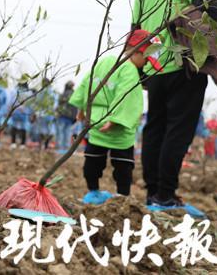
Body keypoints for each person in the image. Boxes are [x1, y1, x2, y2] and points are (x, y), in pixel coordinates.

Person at [133, 0, 213, 208]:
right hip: (184, 66)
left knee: (155, 128)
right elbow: (204, 1)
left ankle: (153, 194)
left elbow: (135, 30)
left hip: (154, 68)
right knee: (178, 132)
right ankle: (166, 195)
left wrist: (141, 68)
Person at [69, 30, 161, 205]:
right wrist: (116, 119)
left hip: (96, 123)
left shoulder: (105, 62)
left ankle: (93, 191)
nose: (145, 64)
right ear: (135, 50)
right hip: (118, 129)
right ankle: (122, 196)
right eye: (147, 59)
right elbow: (126, 96)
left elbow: (87, 83)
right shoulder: (130, 71)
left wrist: (82, 108)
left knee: (93, 161)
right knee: (123, 165)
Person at [54, 80, 78, 153]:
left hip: (62, 116)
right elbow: (76, 107)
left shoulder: (63, 94)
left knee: (60, 132)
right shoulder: (75, 94)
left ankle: (59, 148)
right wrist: (74, 118)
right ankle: (66, 148)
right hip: (70, 118)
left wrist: (57, 113)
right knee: (67, 133)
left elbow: (59, 105)